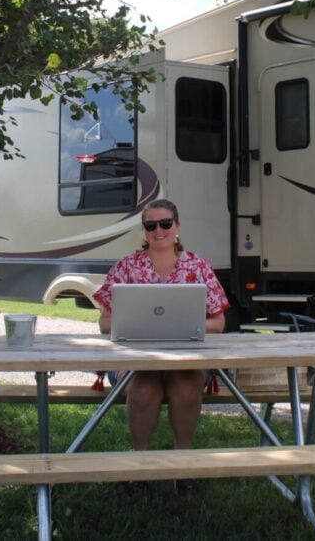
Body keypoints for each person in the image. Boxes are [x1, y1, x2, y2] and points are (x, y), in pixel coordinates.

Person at [94, 198, 229, 493]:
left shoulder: (198, 266)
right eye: (151, 225)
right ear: (144, 231)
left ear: (177, 227)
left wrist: (178, 328)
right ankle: (140, 466)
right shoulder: (126, 267)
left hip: (187, 359)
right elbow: (105, 323)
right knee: (144, 389)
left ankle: (183, 464)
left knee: (185, 387)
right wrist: (135, 326)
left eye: (165, 223)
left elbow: (218, 323)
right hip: (137, 360)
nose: (159, 230)